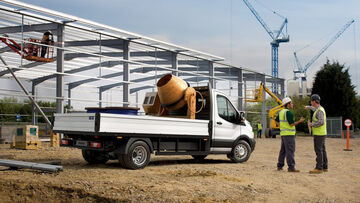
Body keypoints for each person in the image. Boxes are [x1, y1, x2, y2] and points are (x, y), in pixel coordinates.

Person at [276, 97, 305, 172]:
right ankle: (291, 167)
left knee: (283, 151)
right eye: (291, 103)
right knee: (290, 151)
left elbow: (276, 121)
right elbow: (292, 124)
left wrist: (282, 126)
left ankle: (280, 165)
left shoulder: (281, 112)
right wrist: (300, 121)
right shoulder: (288, 112)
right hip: (289, 134)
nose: (292, 104)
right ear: (288, 104)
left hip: (283, 134)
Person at [305, 94, 328, 174]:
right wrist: (308, 107)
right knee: (323, 150)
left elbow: (321, 122)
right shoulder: (319, 109)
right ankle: (325, 167)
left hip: (319, 134)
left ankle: (319, 168)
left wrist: (312, 124)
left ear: (314, 101)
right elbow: (314, 108)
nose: (311, 102)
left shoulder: (319, 111)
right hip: (321, 133)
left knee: (318, 150)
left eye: (311, 101)